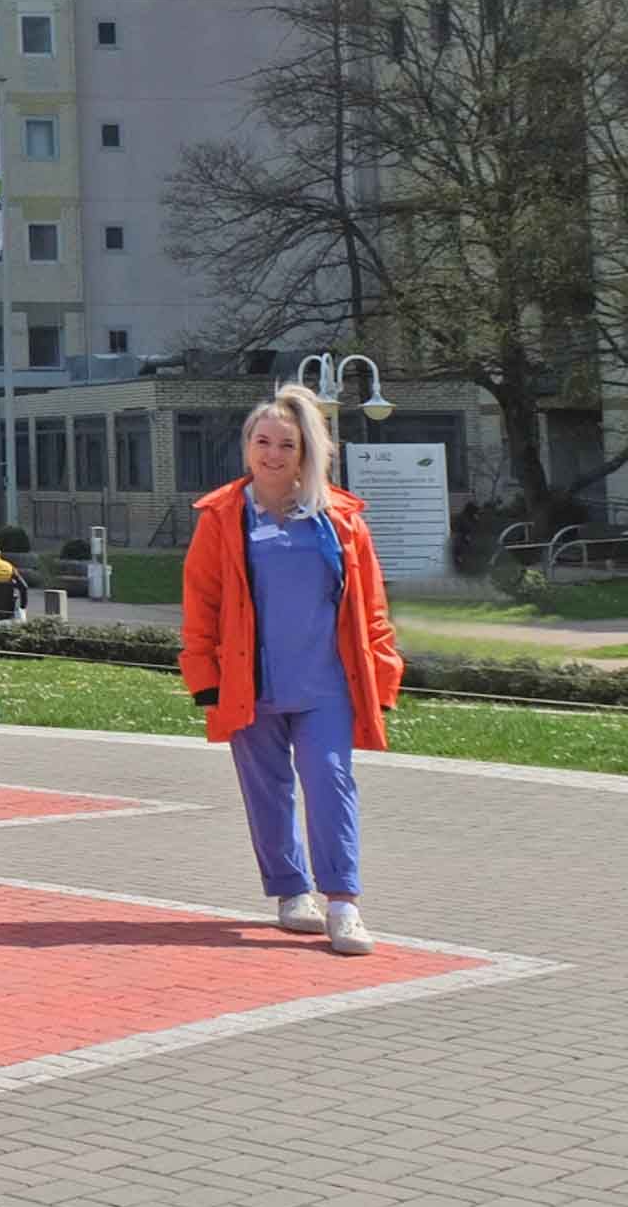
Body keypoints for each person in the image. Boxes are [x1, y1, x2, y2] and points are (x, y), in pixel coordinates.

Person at [179, 385, 404, 959]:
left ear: (306, 452)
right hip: (249, 684)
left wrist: (382, 674)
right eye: (262, 442)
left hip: (327, 684)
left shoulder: (341, 520)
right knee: (267, 791)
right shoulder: (221, 516)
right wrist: (203, 677)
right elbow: (201, 602)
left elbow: (370, 606)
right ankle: (289, 892)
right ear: (247, 447)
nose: (273, 455)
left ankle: (344, 903)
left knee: (330, 782)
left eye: (286, 444)